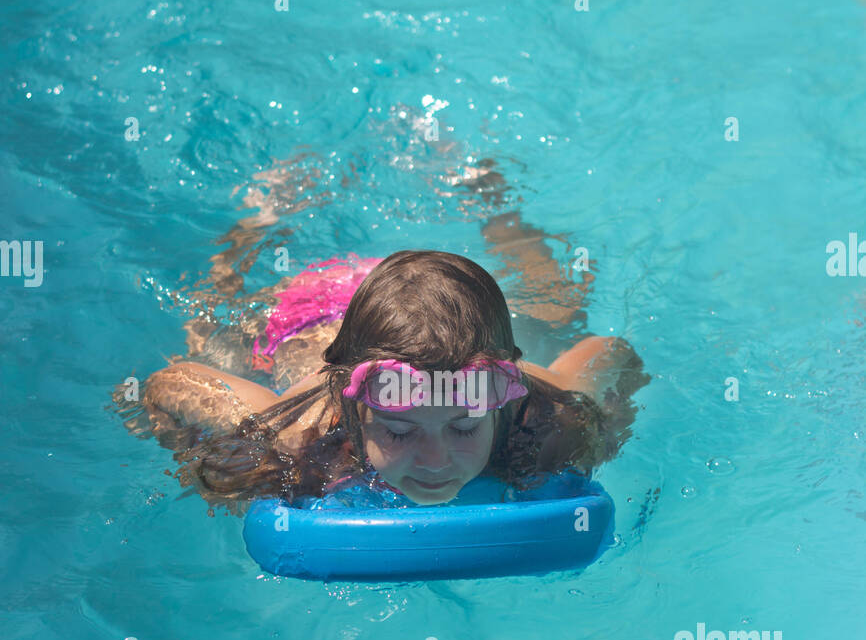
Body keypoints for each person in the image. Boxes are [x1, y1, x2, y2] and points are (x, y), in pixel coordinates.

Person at [136, 213, 648, 508]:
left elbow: (614, 354)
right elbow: (168, 385)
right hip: (309, 310)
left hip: (436, 320)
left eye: (465, 428)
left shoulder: (550, 420)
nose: (435, 460)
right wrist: (203, 468)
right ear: (351, 407)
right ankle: (261, 216)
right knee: (210, 337)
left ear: (499, 400)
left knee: (560, 306)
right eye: (400, 432)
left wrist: (610, 429)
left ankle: (496, 203)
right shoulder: (297, 439)